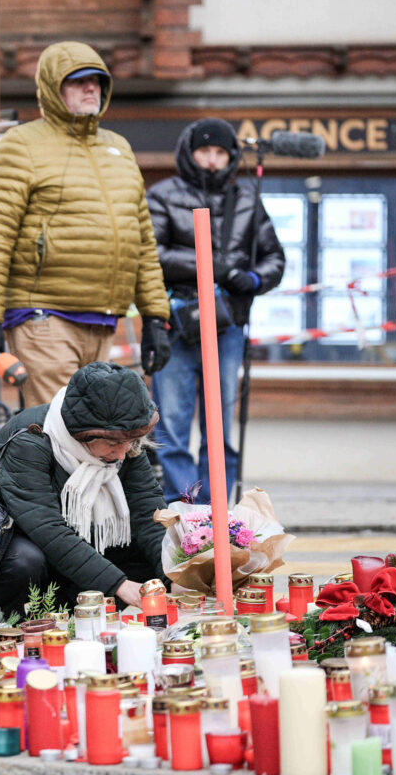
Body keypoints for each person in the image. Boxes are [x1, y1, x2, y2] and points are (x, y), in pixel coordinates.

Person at [0, 41, 172, 405]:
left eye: (97, 80)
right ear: (52, 88)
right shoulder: (21, 144)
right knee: (59, 429)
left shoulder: (119, 148)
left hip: (103, 319)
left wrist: (156, 318)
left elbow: (141, 239)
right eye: (78, 81)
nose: (91, 87)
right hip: (43, 316)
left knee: (91, 433)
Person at [146, 118, 284, 504]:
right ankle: (186, 514)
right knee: (169, 426)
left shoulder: (247, 199)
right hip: (175, 323)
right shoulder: (161, 195)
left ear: (231, 156)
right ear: (189, 154)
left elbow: (275, 257)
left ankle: (218, 513)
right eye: (204, 151)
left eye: (220, 152)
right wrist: (208, 265)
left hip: (227, 327)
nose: (211, 160)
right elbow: (151, 254)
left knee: (219, 427)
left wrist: (253, 281)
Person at [0, 361, 169, 617]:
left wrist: (174, 574)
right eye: (114, 445)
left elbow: (148, 511)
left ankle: (86, 616)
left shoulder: (124, 436)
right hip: (21, 546)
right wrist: (119, 585)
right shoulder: (31, 439)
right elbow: (49, 531)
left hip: (76, 543)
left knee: (146, 554)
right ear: (85, 436)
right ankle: (19, 626)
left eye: (131, 442)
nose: (124, 454)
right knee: (25, 562)